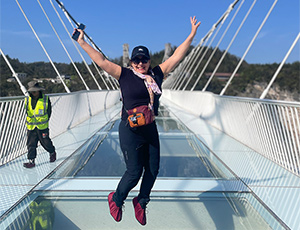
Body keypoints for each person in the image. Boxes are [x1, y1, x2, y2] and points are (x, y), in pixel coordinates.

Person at [75, 16, 200, 225]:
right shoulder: (124, 75)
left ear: (149, 61)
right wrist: (82, 42)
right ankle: (116, 199)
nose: (140, 63)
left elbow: (177, 56)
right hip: (130, 130)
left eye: (144, 60)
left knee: (152, 170)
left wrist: (192, 35)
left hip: (149, 129)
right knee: (134, 172)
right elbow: (102, 61)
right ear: (131, 62)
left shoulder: (158, 74)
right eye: (136, 60)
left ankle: (141, 201)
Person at [23, 81, 56, 168]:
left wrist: (44, 120)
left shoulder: (45, 99)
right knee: (31, 144)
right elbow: (27, 111)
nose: (33, 93)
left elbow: (49, 111)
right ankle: (31, 161)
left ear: (39, 91)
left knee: (45, 142)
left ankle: (52, 152)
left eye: (35, 91)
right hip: (31, 126)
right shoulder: (27, 100)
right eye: (32, 92)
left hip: (42, 127)